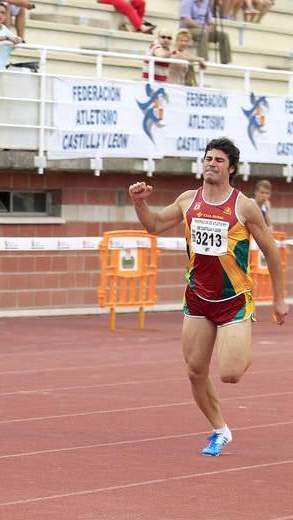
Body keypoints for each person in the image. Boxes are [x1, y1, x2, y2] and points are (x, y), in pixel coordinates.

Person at [128, 137, 287, 456]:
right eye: (207, 158)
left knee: (230, 374)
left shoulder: (245, 206)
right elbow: (155, 225)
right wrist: (140, 203)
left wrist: (280, 299)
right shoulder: (189, 199)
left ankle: (239, 344)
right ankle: (220, 429)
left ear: (231, 168)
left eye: (218, 160)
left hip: (234, 300)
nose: (211, 163)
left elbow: (271, 251)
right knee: (195, 371)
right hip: (198, 298)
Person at [180, 0, 231, 64]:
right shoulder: (187, 1)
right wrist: (203, 28)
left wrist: (212, 25)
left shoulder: (206, 2)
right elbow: (186, 20)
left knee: (223, 35)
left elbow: (209, 18)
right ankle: (203, 61)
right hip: (188, 29)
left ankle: (225, 62)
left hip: (203, 28)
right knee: (203, 33)